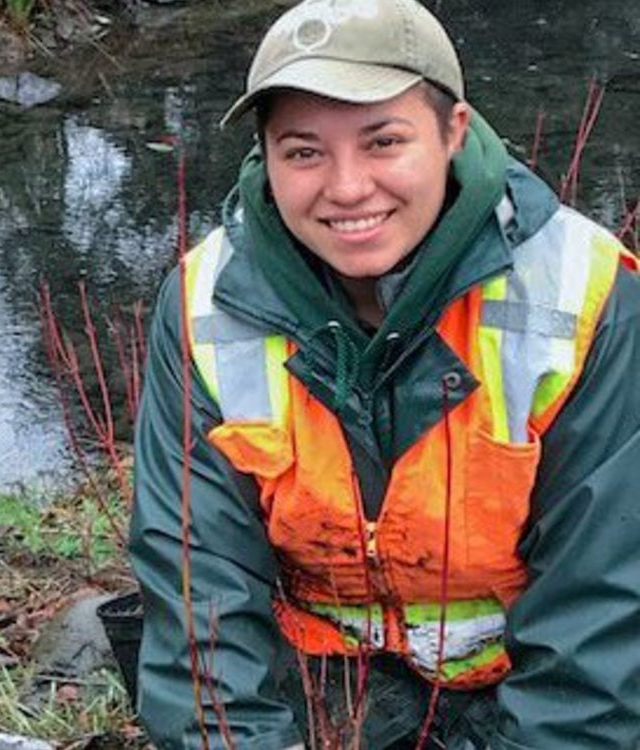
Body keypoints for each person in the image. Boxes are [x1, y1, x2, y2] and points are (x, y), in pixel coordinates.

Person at [128, 0, 640, 748]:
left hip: (528, 686)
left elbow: (601, 617)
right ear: (264, 157)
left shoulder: (587, 297)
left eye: (383, 142)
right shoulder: (204, 305)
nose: (346, 188)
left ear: (452, 132)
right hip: (324, 689)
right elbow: (200, 596)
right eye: (302, 152)